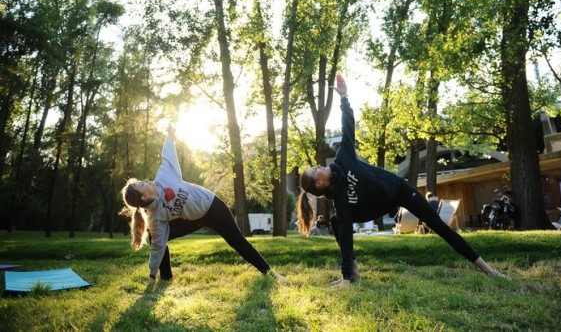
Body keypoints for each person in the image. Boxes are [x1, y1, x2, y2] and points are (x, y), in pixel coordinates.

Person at [296, 74, 504, 285]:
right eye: (316, 169)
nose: (320, 165)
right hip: (380, 205)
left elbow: (348, 124)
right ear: (320, 183)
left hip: (399, 190)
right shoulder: (340, 203)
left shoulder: (343, 159)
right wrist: (346, 277)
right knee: (338, 222)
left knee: (439, 226)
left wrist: (344, 96)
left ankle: (487, 269)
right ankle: (353, 275)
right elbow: (347, 238)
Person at [120, 126, 284, 286]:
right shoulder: (155, 217)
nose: (145, 180)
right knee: (156, 236)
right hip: (194, 220)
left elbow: (167, 155)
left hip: (213, 207)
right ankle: (165, 277)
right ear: (145, 196)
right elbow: (157, 247)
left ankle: (270, 273)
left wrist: (170, 135)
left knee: (237, 241)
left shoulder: (164, 176)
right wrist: (151, 276)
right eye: (141, 183)